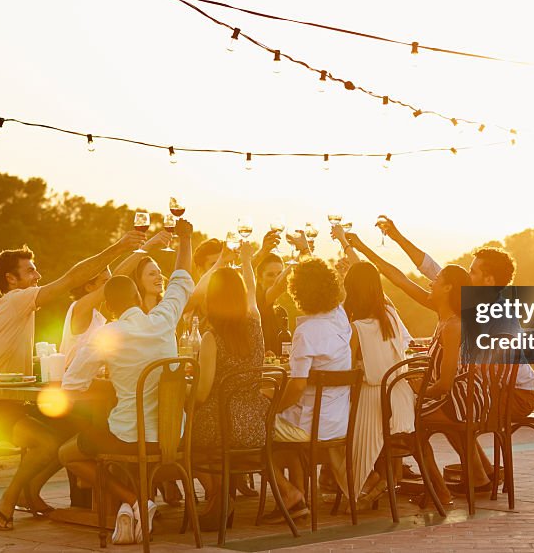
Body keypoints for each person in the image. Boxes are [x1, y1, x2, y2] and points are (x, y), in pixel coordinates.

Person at [0, 229, 145, 530]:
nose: (37, 275)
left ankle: (33, 492)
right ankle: (8, 501)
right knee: (47, 443)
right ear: (10, 280)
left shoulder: (21, 308)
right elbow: (70, 279)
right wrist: (119, 246)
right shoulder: (13, 301)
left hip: (18, 404)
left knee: (72, 430)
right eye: (30, 271)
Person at [59, 219, 194, 545]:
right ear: (136, 294)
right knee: (104, 437)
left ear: (109, 305)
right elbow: (181, 280)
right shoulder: (165, 319)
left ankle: (133, 502)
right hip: (173, 436)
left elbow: (72, 384)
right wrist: (185, 240)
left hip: (126, 437)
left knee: (68, 454)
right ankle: (133, 506)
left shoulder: (108, 334)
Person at [345, 232, 477, 507]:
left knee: (406, 420)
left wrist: (419, 392)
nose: (431, 282)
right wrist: (357, 248)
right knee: (396, 409)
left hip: (459, 399)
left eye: (437, 281)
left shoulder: (454, 326)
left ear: (449, 288)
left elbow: (446, 384)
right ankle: (394, 479)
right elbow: (397, 280)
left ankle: (431, 489)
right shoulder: (443, 315)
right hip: (447, 393)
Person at [378, 219, 534, 419]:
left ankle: (457, 443)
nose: (467, 276)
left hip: (514, 395)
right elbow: (431, 269)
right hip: (486, 388)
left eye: (472, 272)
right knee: (449, 407)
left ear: (489, 280)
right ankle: (469, 449)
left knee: (442, 410)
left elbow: (489, 371)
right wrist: (397, 237)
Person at [262, 257, 352, 523]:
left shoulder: (307, 332)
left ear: (297, 291)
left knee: (257, 430)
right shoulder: (339, 321)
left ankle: (290, 493)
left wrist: (272, 410)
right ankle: (298, 496)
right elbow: (339, 300)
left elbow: (297, 385)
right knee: (282, 429)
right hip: (338, 421)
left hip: (312, 426)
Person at [190, 242, 270, 529]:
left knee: (187, 440)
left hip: (224, 424)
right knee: (204, 430)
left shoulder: (212, 338)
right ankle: (219, 502)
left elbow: (203, 392)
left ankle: (217, 498)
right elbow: (250, 290)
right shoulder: (255, 323)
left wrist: (187, 402)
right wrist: (247, 261)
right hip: (256, 424)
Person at [337, 248, 416, 505]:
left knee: (329, 428)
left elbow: (346, 372)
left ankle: (366, 479)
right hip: (401, 399)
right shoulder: (391, 315)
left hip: (375, 402)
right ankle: (381, 477)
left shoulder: (356, 329)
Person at [61, 231, 173, 369]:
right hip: (77, 384)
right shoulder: (79, 309)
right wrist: (148, 245)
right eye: (105, 282)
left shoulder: (98, 316)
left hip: (93, 381)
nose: (111, 286)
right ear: (89, 287)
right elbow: (116, 279)